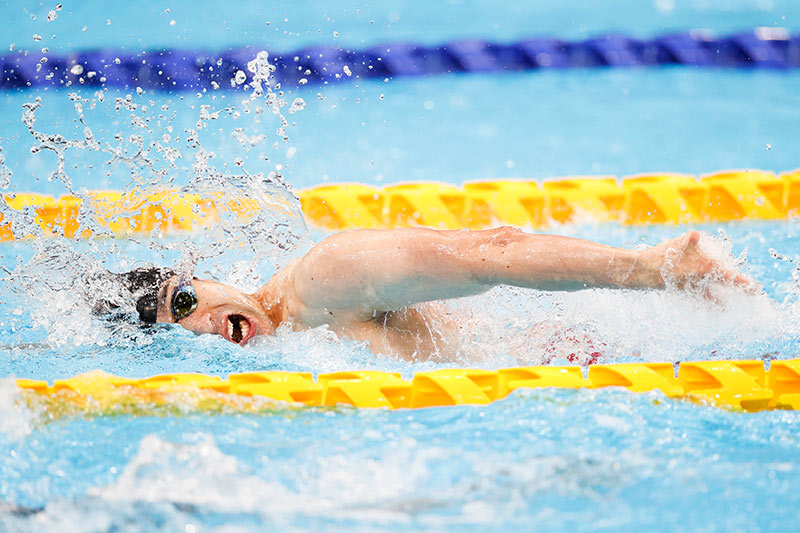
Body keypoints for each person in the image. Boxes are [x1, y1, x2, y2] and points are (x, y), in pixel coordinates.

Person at [109, 227, 753, 361]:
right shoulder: (292, 340)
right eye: (175, 330)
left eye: (185, 304)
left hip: (563, 361)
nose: (196, 328)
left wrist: (651, 266)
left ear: (202, 277)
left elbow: (487, 254)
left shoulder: (321, 280)